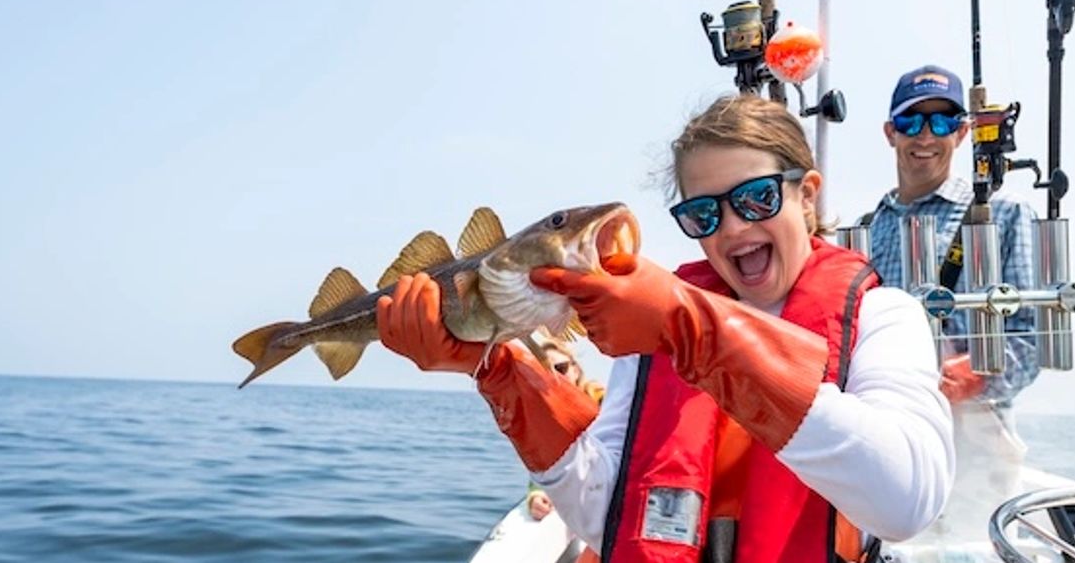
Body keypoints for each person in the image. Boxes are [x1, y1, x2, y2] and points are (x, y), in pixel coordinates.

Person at [375, 94, 954, 562]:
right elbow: (605, 518)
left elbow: (906, 503)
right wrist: (498, 369)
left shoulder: (885, 316)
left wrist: (690, 330)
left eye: (754, 199)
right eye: (703, 214)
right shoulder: (648, 332)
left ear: (806, 195)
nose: (730, 229)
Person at [862, 64, 1040, 541]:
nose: (926, 135)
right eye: (911, 121)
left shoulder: (1005, 212)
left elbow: (1033, 339)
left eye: (942, 122)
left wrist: (973, 375)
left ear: (963, 133)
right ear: (889, 133)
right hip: (886, 436)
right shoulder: (866, 227)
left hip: (975, 445)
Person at [527, 339, 605, 523]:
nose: (555, 376)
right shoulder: (546, 417)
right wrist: (535, 495)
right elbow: (543, 465)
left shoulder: (603, 399)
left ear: (576, 370)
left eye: (561, 368)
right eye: (545, 372)